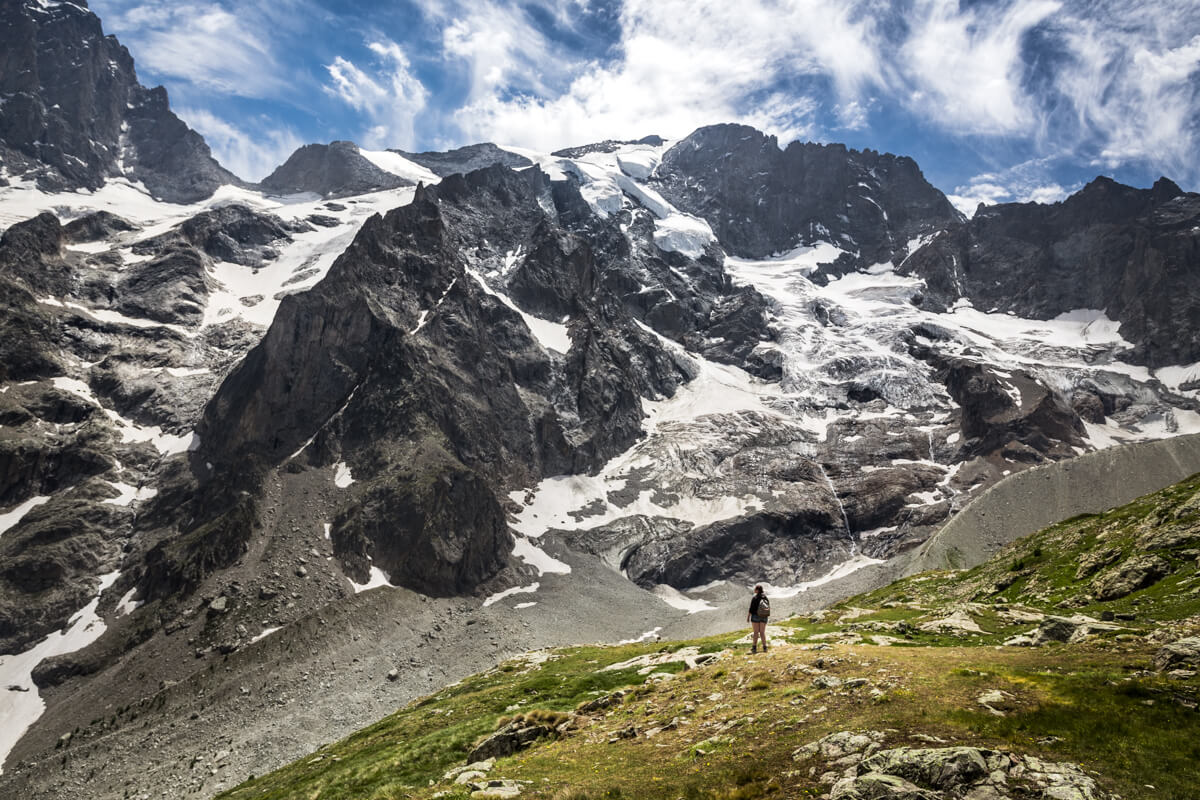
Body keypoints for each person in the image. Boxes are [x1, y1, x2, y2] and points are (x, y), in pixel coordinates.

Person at [748, 585, 769, 653]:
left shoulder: (755, 597)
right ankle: (765, 647)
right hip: (764, 616)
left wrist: (748, 616)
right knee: (762, 632)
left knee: (756, 632)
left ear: (757, 590)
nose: (754, 590)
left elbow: (751, 609)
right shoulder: (765, 597)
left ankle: (754, 648)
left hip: (755, 616)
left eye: (755, 589)